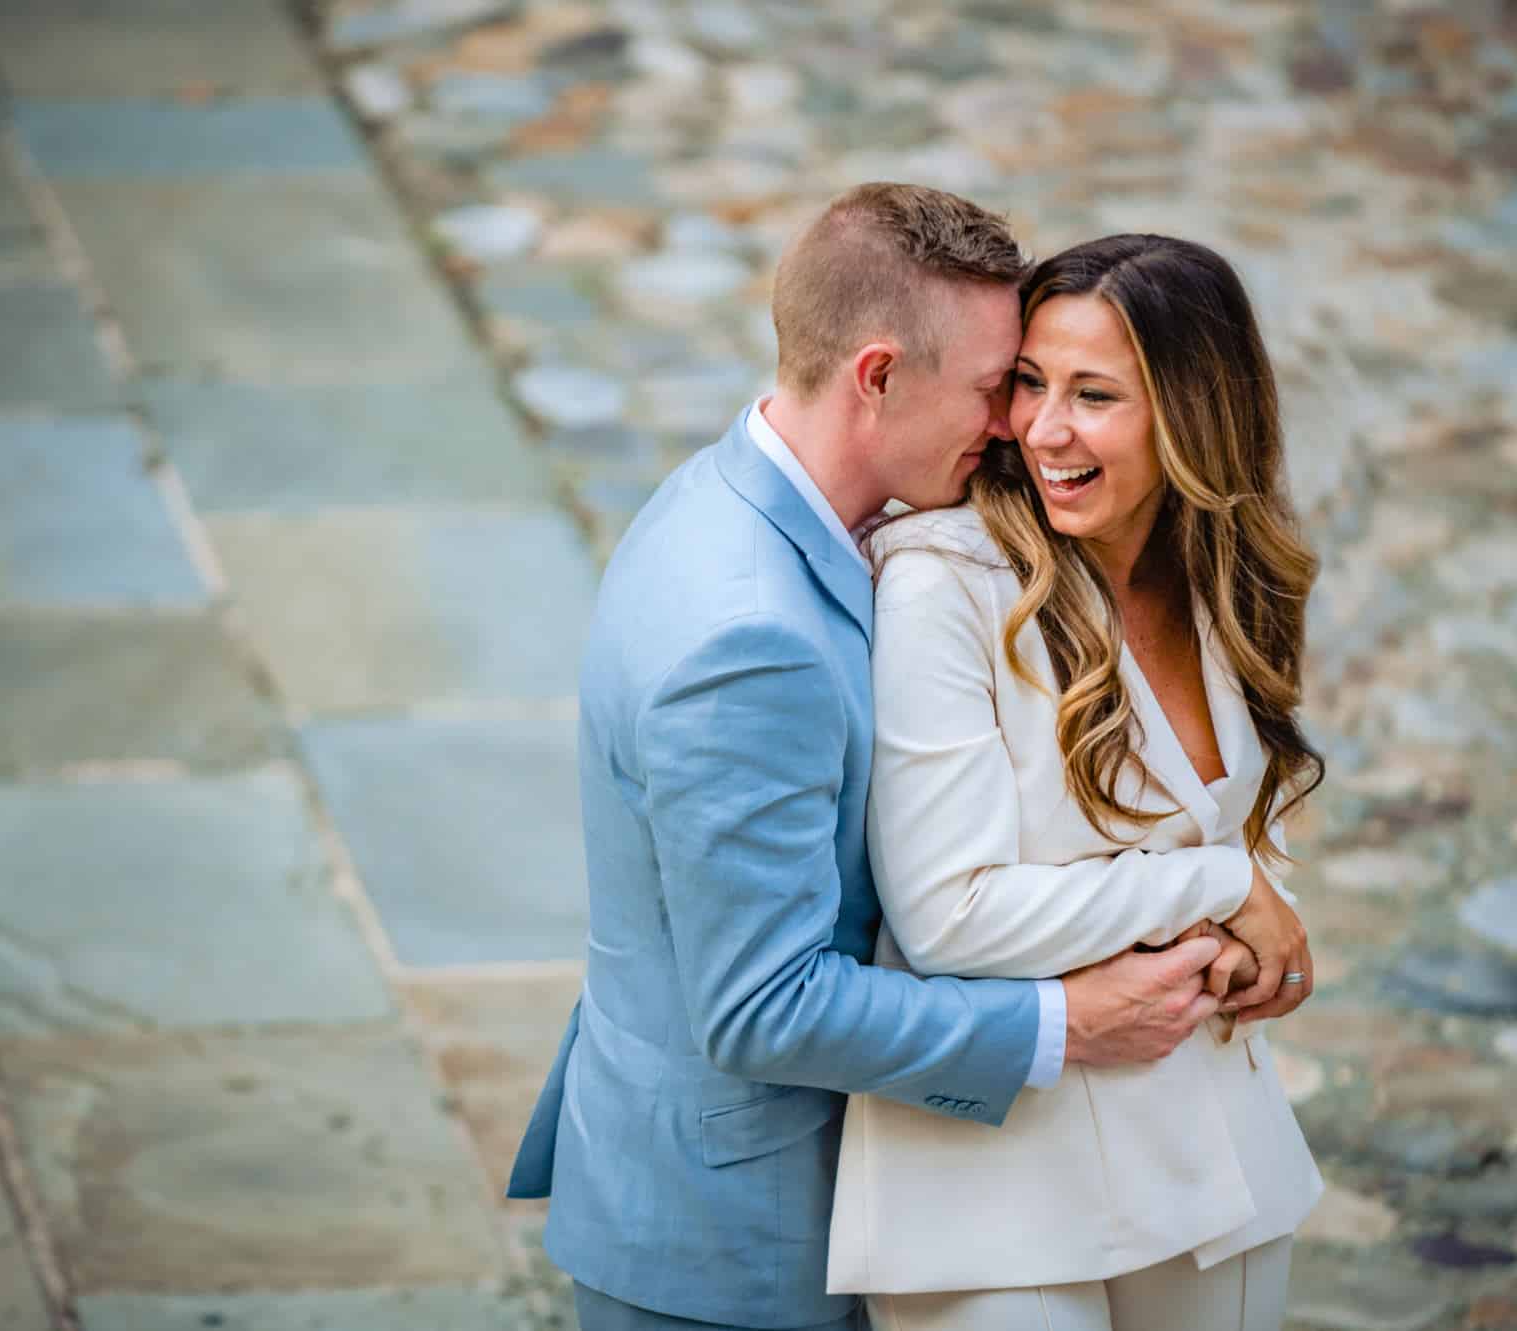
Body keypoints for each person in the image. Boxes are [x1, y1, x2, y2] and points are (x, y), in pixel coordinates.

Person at [506, 188, 1291, 1330]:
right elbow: (763, 1008)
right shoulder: (749, 633)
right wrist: (1069, 1019)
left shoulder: (730, 498)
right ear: (876, 375)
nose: (1012, 427)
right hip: (742, 1244)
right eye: (996, 387)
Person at [829, 234, 1327, 1331]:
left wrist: (1249, 921)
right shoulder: (945, 584)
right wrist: (1214, 888)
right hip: (988, 1176)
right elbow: (947, 912)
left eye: (1092, 394)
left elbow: (1230, 813)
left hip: (1206, 1146)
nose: (1042, 430)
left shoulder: (1222, 585)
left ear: (1193, 414)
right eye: (1027, 384)